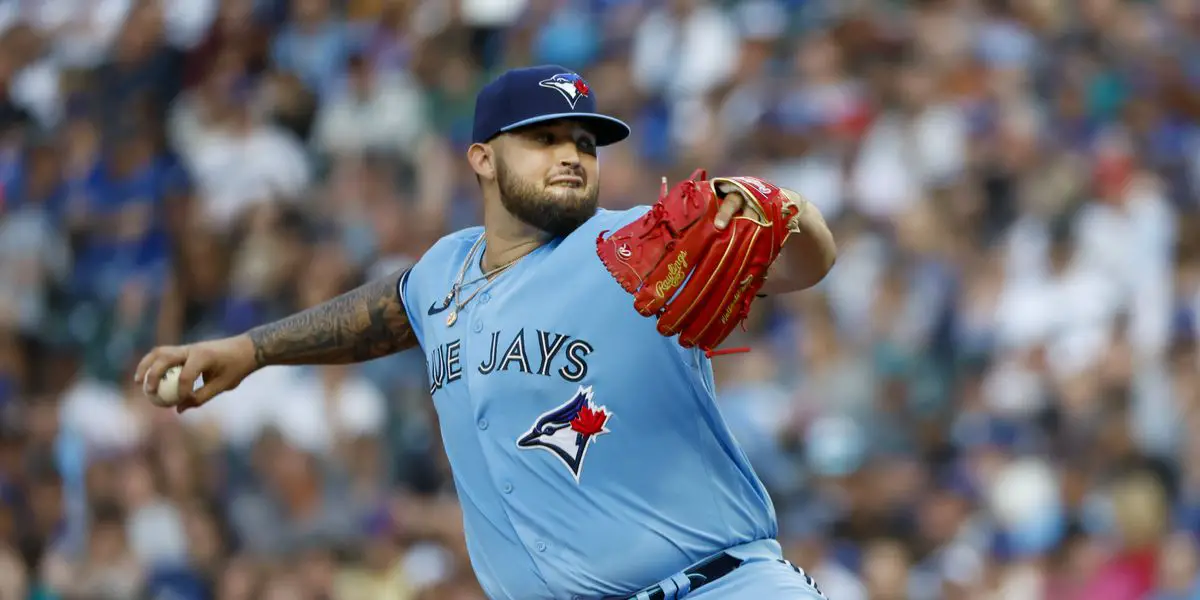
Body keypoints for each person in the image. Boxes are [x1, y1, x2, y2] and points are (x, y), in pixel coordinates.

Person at [136, 65, 837, 600]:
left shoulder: (635, 246)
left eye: (584, 142)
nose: (571, 154)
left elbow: (806, 262)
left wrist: (785, 207)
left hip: (715, 586)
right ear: (481, 159)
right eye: (544, 138)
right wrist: (252, 350)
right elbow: (389, 311)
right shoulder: (446, 267)